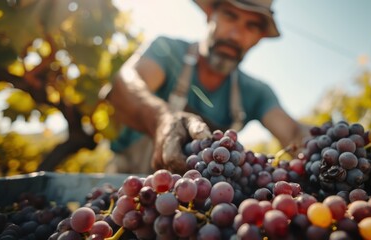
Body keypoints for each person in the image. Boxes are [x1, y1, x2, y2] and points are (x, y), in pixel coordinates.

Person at [104, 0, 310, 174]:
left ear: (259, 38)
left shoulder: (256, 93)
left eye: (251, 26)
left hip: (199, 206)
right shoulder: (168, 51)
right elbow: (125, 85)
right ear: (211, 14)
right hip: (127, 187)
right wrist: (161, 120)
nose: (236, 35)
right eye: (230, 16)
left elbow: (293, 134)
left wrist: (330, 147)